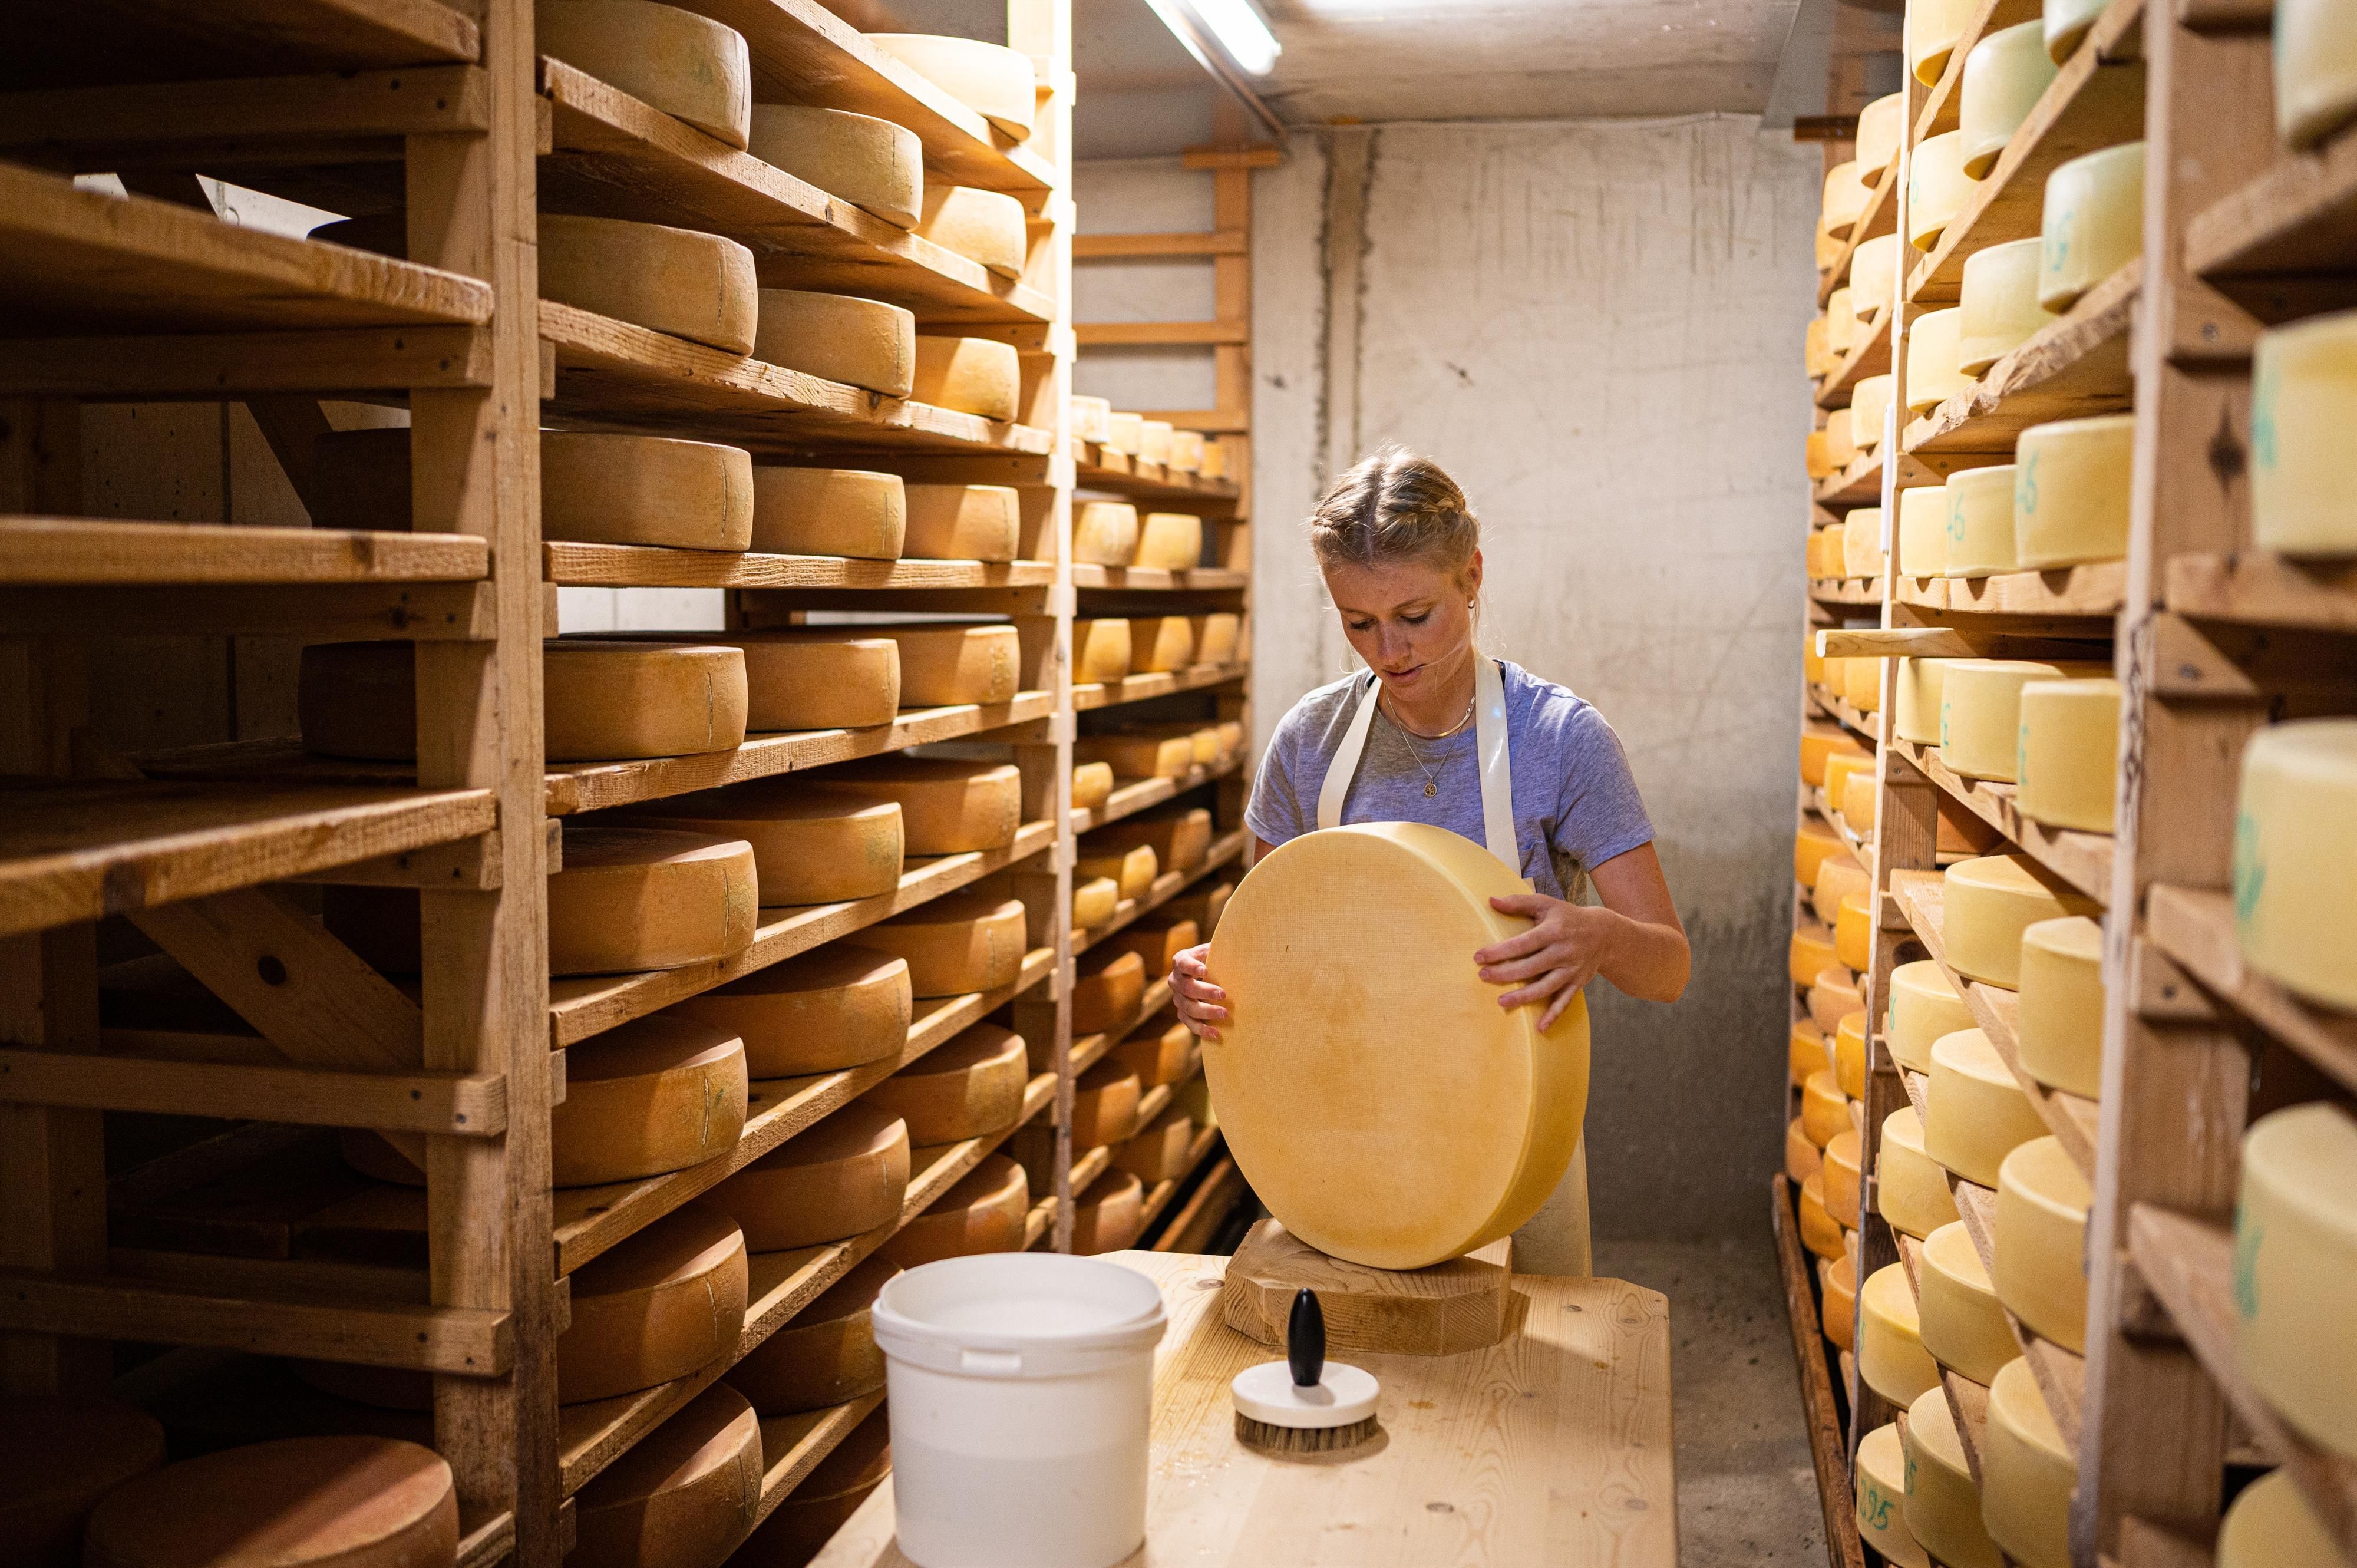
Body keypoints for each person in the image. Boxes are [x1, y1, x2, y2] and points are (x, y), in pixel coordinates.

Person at [1167, 445, 1689, 1273]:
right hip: (1338, 1148)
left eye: (1415, 615)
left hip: (1510, 1149)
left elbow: (1668, 967)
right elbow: (1263, 945)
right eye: (1359, 623)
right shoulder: (1310, 742)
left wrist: (1597, 937)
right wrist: (1209, 978)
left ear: (1471, 576)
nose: (1390, 650)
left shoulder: (1560, 740)